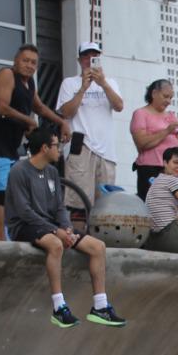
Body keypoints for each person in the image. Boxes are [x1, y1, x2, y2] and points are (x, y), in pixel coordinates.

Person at [6, 127, 124, 328]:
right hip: (25, 226)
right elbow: (24, 211)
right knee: (55, 245)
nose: (60, 149)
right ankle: (59, 307)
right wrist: (56, 232)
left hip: (51, 226)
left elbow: (59, 206)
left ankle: (100, 306)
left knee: (98, 247)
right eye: (56, 145)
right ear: (44, 148)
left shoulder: (52, 172)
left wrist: (67, 228)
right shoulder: (19, 171)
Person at [0, 45, 66, 240]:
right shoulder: (6, 75)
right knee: (1, 197)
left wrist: (61, 122)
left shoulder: (29, 84)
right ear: (15, 61)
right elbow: (1, 107)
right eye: (25, 60)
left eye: (33, 62)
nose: (29, 65)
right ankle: (1, 246)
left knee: (11, 197)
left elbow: (40, 107)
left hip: (11, 148)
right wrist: (28, 120)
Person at [55, 42, 122, 225]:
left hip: (106, 150)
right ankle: (78, 237)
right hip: (80, 145)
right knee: (78, 200)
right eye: (86, 56)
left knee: (107, 202)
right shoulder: (70, 83)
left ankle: (101, 241)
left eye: (94, 56)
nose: (89, 60)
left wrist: (103, 84)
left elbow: (119, 106)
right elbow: (66, 112)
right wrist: (83, 88)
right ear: (79, 60)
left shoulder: (111, 83)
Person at [127, 78, 178, 199]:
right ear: (154, 93)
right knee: (153, 204)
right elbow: (141, 143)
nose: (168, 101)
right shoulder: (141, 113)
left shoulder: (170, 115)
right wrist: (166, 131)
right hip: (152, 167)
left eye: (171, 98)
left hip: (172, 168)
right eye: (165, 96)